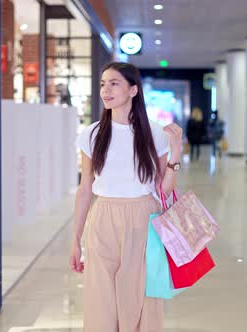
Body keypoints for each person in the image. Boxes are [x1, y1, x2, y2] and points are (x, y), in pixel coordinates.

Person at [71, 62, 183, 331]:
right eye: (102, 84)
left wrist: (176, 153)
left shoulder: (153, 133)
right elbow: (85, 188)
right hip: (103, 218)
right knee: (101, 299)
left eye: (114, 83)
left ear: (133, 90)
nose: (105, 90)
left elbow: (163, 189)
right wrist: (75, 240)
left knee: (141, 297)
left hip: (143, 218)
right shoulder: (92, 135)